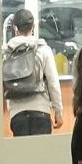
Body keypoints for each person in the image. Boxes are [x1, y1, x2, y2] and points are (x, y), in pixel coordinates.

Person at [5, 9, 63, 137]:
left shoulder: (6, 52)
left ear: (15, 28)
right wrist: (58, 111)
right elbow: (53, 83)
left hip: (17, 114)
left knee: (22, 156)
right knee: (41, 156)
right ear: (33, 27)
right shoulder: (43, 50)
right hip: (41, 111)